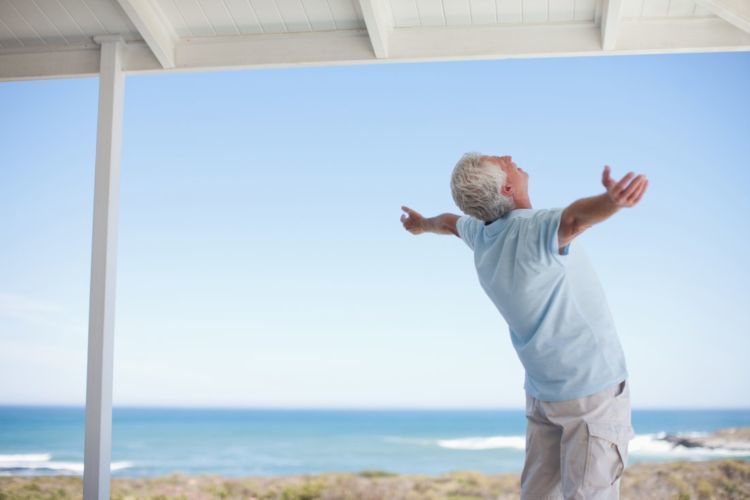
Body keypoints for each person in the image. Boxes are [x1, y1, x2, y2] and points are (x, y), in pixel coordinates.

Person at [400, 154, 648, 499]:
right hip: (591, 393)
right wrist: (611, 202)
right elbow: (576, 218)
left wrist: (422, 224)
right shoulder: (535, 228)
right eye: (502, 161)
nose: (509, 158)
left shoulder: (482, 235)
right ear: (507, 187)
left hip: (543, 393)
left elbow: (448, 222)